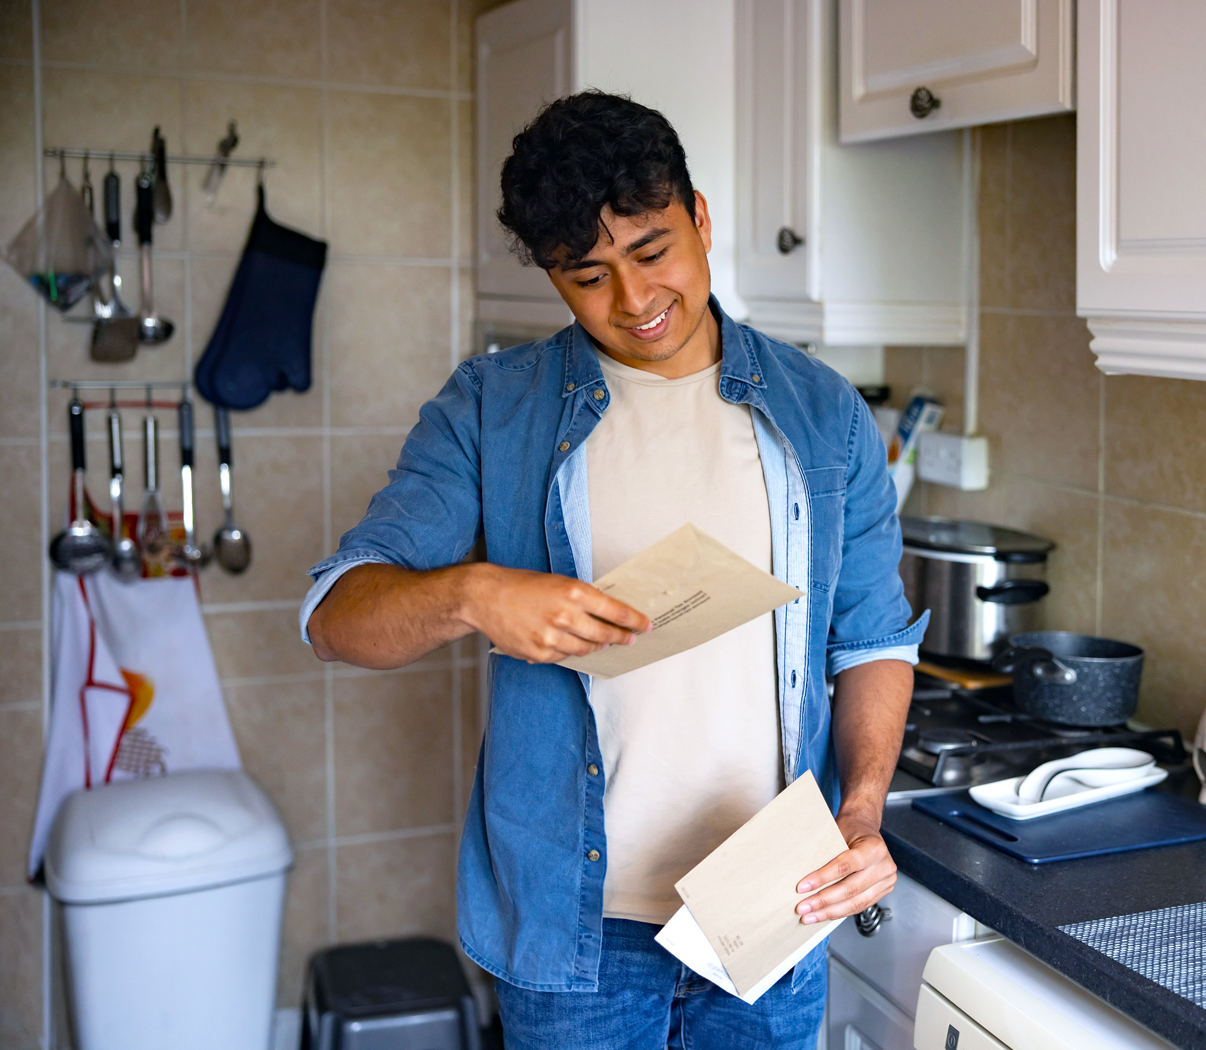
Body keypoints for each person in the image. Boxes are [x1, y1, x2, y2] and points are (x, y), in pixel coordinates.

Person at [302, 91, 927, 1050]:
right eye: (587, 276)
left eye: (651, 252)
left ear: (701, 217)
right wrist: (474, 594)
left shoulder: (823, 413)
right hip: (577, 937)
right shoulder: (492, 409)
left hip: (772, 908)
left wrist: (861, 809)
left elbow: (873, 639)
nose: (634, 303)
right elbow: (336, 618)